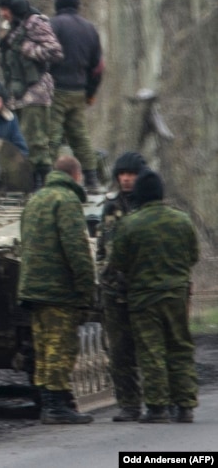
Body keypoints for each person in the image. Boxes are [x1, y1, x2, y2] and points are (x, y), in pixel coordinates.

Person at [109, 169, 200, 424]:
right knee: (180, 347)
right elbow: (193, 255)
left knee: (151, 351)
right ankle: (184, 406)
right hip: (177, 296)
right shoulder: (182, 220)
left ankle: (157, 407)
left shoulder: (130, 223)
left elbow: (118, 262)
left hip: (143, 299)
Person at [17, 153, 96, 425]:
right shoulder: (67, 200)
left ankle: (52, 402)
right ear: (76, 175)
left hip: (33, 287)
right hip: (59, 289)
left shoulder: (34, 200)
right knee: (60, 347)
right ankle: (55, 406)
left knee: (43, 346)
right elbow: (77, 247)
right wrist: (86, 287)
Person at [97, 152, 151, 422]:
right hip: (115, 290)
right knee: (119, 351)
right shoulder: (110, 207)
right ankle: (129, 403)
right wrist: (103, 276)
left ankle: (157, 401)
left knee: (151, 349)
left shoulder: (149, 206)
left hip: (145, 289)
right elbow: (101, 247)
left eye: (131, 174)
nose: (126, 179)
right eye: (122, 174)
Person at [0, 0, 65, 188]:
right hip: (18, 93)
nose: (2, 13)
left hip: (36, 92)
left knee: (36, 142)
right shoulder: (14, 26)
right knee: (21, 140)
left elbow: (55, 51)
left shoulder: (35, 22)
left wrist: (27, 48)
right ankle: (26, 179)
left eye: (5, 8)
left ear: (15, 6)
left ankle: (40, 183)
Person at [50, 0, 105, 190]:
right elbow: (98, 67)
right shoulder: (90, 29)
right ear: (77, 6)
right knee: (80, 136)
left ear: (57, 6)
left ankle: (47, 178)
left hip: (55, 90)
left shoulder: (52, 25)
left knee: (51, 137)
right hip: (79, 91)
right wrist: (90, 93)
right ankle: (91, 179)